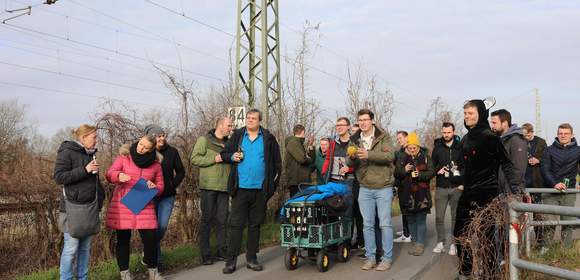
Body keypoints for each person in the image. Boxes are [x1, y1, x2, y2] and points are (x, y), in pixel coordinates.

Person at [454, 99, 524, 279]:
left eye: (470, 113)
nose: (466, 116)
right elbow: (462, 165)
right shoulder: (465, 138)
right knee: (459, 234)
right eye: (465, 113)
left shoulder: (490, 137)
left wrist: (516, 191)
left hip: (488, 194)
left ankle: (491, 274)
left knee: (487, 238)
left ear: (481, 114)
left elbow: (507, 165)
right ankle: (466, 272)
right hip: (468, 193)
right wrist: (458, 174)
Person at [221, 109, 282, 274]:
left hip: (260, 191)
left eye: (253, 118)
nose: (250, 120)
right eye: (248, 118)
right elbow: (224, 154)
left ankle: (252, 258)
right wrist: (232, 157)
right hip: (240, 189)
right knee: (236, 225)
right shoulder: (238, 135)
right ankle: (230, 261)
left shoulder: (268, 138)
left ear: (259, 121)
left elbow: (277, 165)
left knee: (255, 226)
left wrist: (270, 188)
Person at [106, 135, 165, 280]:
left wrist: (155, 187)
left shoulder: (156, 165)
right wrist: (118, 175)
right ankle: (125, 274)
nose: (141, 148)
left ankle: (153, 273)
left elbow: (161, 187)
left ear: (151, 150)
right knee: (123, 240)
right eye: (140, 144)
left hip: (144, 204)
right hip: (123, 203)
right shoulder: (124, 157)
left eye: (145, 147)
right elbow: (109, 173)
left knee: (151, 239)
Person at [54, 124, 105, 280]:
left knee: (85, 249)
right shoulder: (67, 152)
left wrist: (100, 200)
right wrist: (85, 170)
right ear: (83, 138)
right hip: (72, 209)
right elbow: (59, 177)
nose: (96, 140)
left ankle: (82, 278)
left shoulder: (91, 154)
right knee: (71, 249)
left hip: (90, 208)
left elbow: (94, 182)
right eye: (94, 137)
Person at [347, 109, 395, 272]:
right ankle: (370, 257)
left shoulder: (383, 136)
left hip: (383, 186)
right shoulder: (355, 139)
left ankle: (387, 258)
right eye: (360, 120)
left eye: (365, 119)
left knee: (385, 224)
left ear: (372, 121)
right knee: (367, 225)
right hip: (365, 187)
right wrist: (352, 158)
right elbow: (349, 162)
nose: (362, 123)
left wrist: (369, 154)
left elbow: (389, 157)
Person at [191, 117, 233, 265]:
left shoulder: (229, 143)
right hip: (208, 187)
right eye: (229, 125)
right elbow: (194, 159)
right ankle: (206, 255)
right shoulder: (204, 140)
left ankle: (222, 251)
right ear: (220, 126)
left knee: (222, 221)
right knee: (207, 221)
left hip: (224, 187)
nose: (230, 128)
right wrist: (214, 159)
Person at [143, 124, 185, 270]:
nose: (161, 138)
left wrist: (172, 185)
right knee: (152, 228)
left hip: (167, 196)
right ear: (151, 138)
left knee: (161, 226)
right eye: (158, 136)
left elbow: (180, 172)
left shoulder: (172, 152)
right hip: (149, 196)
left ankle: (148, 253)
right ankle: (157, 262)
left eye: (163, 135)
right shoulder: (147, 152)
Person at [394, 132, 435, 256]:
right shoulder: (401, 157)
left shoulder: (425, 156)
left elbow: (432, 172)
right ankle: (416, 242)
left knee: (420, 220)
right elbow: (396, 174)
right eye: (410, 148)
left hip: (422, 194)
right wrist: (404, 170)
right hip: (406, 194)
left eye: (414, 148)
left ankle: (420, 244)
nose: (412, 150)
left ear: (418, 146)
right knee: (410, 220)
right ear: (407, 147)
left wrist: (420, 175)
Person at [321, 117, 359, 249]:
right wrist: (324, 172)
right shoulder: (332, 143)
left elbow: (359, 162)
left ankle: (346, 243)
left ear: (348, 127)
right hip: (332, 181)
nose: (339, 127)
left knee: (347, 212)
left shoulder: (354, 143)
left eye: (342, 125)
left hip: (348, 181)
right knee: (331, 211)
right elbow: (327, 158)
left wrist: (350, 168)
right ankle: (333, 240)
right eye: (337, 125)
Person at [540, 123, 580, 247]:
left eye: (566, 133)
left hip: (569, 191)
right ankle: (546, 249)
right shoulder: (548, 150)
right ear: (557, 134)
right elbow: (544, 169)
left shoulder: (578, 150)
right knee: (549, 222)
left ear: (572, 135)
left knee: (567, 222)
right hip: (550, 191)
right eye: (560, 133)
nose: (563, 136)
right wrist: (555, 183)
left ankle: (566, 251)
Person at [431, 123, 463, 256]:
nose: (446, 135)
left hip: (457, 187)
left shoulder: (460, 146)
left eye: (449, 132)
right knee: (439, 217)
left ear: (453, 132)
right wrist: (438, 169)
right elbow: (431, 166)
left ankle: (454, 244)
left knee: (455, 217)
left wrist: (462, 183)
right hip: (441, 187)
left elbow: (466, 166)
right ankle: (440, 242)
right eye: (444, 132)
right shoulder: (437, 147)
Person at [521, 123, 548, 248]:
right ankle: (520, 244)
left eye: (527, 135)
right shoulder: (520, 142)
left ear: (532, 132)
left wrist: (539, 160)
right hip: (524, 183)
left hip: (537, 182)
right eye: (524, 135)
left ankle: (539, 241)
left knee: (538, 214)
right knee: (522, 214)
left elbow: (547, 158)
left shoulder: (541, 142)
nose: (526, 137)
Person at [490, 109, 528, 194]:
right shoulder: (498, 140)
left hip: (510, 192)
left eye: (494, 123)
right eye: (491, 123)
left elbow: (518, 169)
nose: (492, 126)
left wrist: (512, 192)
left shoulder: (516, 140)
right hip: (498, 192)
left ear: (505, 123)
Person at [284, 124, 315, 197]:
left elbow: (310, 158)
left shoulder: (299, 143)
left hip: (301, 181)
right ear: (303, 132)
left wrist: (310, 146)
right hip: (296, 181)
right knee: (296, 204)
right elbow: (302, 159)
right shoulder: (293, 142)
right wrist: (309, 160)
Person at [393, 130, 412, 244]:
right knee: (403, 208)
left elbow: (408, 170)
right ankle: (406, 230)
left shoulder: (410, 151)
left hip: (408, 185)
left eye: (400, 138)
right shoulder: (399, 152)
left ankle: (408, 234)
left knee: (407, 208)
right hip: (401, 184)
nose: (398, 140)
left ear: (406, 138)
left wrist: (402, 171)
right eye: (398, 138)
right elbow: (397, 170)